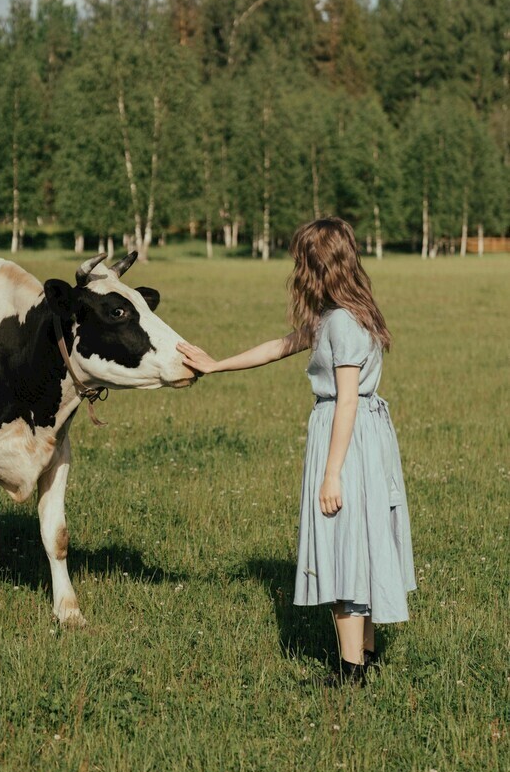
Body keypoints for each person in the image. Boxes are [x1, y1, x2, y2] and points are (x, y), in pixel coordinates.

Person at [177, 217, 416, 686]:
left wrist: (332, 474)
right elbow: (280, 346)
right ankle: (362, 660)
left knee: (344, 547)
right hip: (361, 436)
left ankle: (350, 674)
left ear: (317, 267)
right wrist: (217, 364)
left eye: (300, 263)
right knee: (357, 544)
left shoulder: (343, 323)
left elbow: (346, 399)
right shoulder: (343, 314)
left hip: (347, 440)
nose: (296, 272)